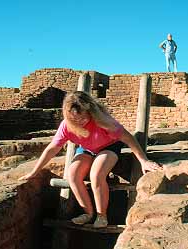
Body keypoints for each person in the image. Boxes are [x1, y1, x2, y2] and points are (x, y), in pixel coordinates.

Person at [19, 91, 162, 228]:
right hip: (87, 149)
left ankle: (102, 216)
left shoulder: (104, 121)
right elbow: (52, 148)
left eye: (83, 118)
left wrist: (143, 160)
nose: (80, 122)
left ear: (90, 111)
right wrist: (34, 171)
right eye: (75, 119)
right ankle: (87, 213)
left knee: (97, 174)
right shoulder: (67, 126)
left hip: (109, 147)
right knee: (73, 175)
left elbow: (128, 138)